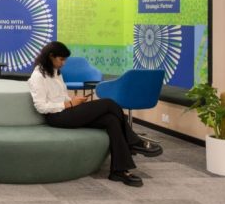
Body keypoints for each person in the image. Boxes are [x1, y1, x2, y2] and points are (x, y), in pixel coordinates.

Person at [27, 41, 163, 187]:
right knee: (108, 103)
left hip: (67, 110)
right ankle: (134, 142)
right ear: (50, 56)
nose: (63, 63)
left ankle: (119, 171)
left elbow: (62, 95)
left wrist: (73, 101)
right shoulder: (38, 76)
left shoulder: (55, 71)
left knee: (111, 120)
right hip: (56, 117)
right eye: (61, 59)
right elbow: (41, 107)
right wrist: (69, 104)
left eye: (65, 60)